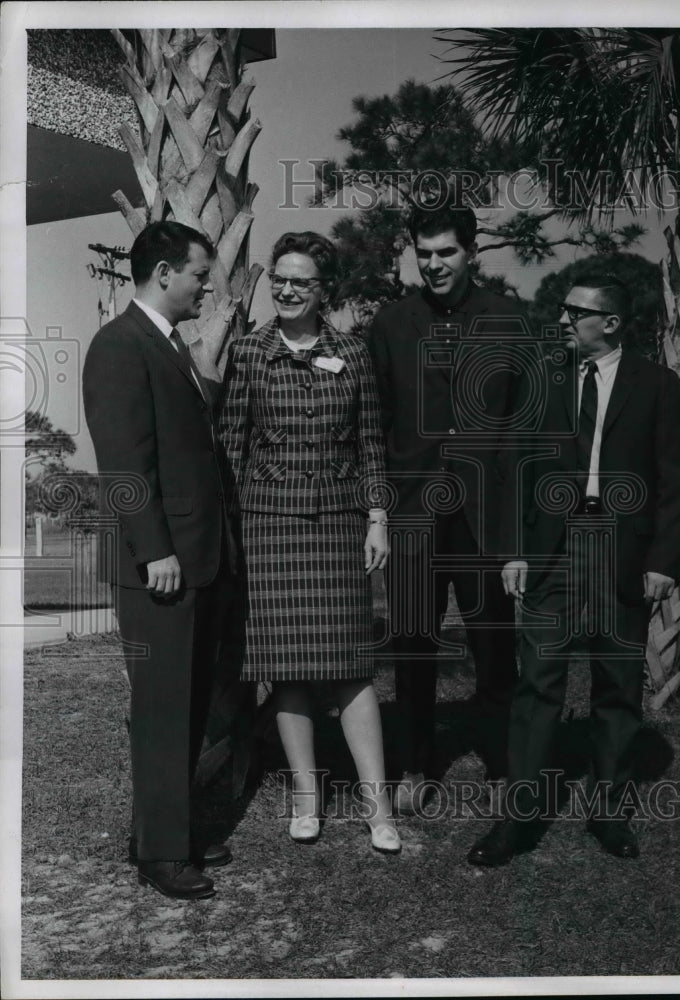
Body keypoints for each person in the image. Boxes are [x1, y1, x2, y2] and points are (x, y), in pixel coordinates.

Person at [467, 277, 680, 866]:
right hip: (553, 555)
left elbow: (677, 481)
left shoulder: (656, 385)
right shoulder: (546, 380)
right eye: (562, 310)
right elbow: (515, 465)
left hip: (622, 556)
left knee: (617, 689)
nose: (563, 321)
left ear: (612, 322)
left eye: (576, 312)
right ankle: (519, 819)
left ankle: (609, 813)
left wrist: (662, 563)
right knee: (537, 685)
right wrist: (515, 550)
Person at [218, 232, 400, 854]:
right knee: (288, 666)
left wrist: (377, 516)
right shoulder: (249, 353)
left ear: (326, 290)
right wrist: (233, 526)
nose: (288, 289)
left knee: (351, 666)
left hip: (339, 523)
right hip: (268, 524)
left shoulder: (352, 352)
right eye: (281, 279)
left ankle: (378, 805)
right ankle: (305, 795)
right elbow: (231, 446)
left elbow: (372, 441)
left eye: (302, 281)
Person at [82, 221, 236, 900]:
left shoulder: (167, 344)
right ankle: (162, 856)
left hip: (195, 557)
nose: (207, 285)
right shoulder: (119, 345)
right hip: (161, 565)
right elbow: (122, 463)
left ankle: (159, 834)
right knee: (164, 708)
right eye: (200, 273)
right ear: (166, 272)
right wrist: (156, 552)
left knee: (185, 704)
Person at [367, 202, 527, 812]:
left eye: (446, 252)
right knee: (412, 646)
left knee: (493, 649)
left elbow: (522, 430)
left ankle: (503, 765)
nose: (433, 264)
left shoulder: (509, 321)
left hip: (485, 520)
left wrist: (516, 535)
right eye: (423, 253)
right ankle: (413, 766)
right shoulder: (390, 324)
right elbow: (375, 425)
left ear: (470, 252)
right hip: (413, 517)